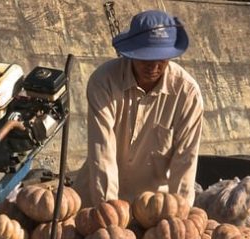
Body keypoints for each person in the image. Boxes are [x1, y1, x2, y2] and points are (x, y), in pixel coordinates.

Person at [74, 10, 203, 207]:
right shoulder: (104, 82)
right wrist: (108, 210)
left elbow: (185, 162)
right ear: (131, 52)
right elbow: (102, 149)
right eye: (145, 57)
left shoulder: (187, 94)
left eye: (161, 58)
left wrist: (179, 214)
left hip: (151, 208)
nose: (153, 66)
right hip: (96, 200)